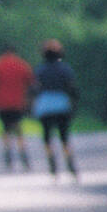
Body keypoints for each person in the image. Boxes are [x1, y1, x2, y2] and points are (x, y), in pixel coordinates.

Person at [32, 38, 82, 181]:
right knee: (64, 137)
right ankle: (70, 162)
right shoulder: (65, 69)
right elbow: (72, 88)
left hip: (45, 105)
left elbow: (34, 89)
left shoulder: (40, 70)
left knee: (47, 136)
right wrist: (74, 105)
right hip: (61, 104)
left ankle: (51, 162)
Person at [0, 43, 36, 170]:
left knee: (6, 128)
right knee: (18, 128)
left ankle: (8, 154)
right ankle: (23, 154)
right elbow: (31, 83)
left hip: (2, 103)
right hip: (19, 102)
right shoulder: (22, 64)